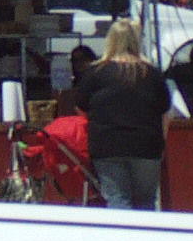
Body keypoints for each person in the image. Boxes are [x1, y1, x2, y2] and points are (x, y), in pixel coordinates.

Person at [73, 19, 170, 212]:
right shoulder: (152, 73)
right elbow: (165, 112)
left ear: (111, 40)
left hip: (107, 145)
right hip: (146, 145)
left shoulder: (95, 73)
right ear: (136, 41)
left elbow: (81, 109)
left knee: (118, 203)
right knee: (146, 204)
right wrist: (161, 143)